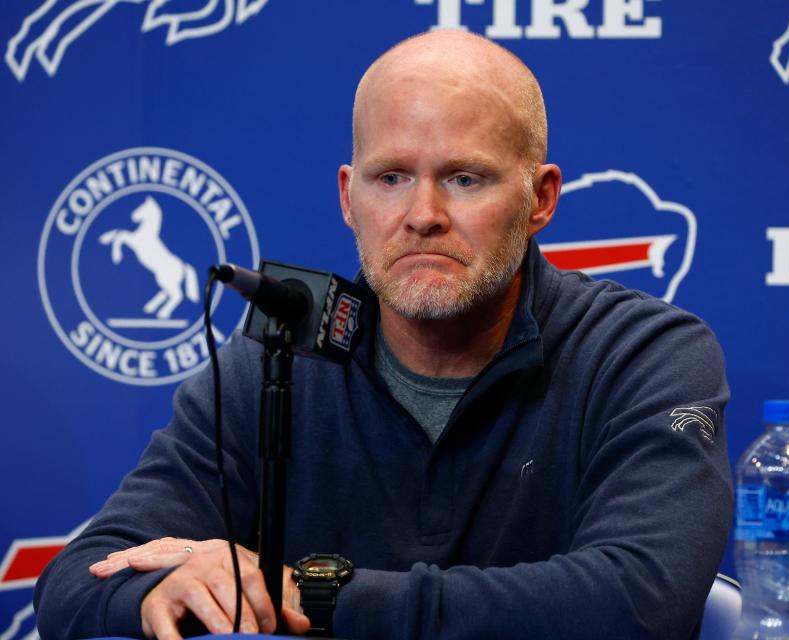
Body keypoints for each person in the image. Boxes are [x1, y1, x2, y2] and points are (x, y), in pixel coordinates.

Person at [34, 30, 733, 640]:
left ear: (540, 199)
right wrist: (161, 592)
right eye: (391, 177)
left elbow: (643, 605)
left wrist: (305, 593)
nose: (422, 214)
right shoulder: (275, 358)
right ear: (348, 197)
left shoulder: (644, 355)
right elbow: (78, 581)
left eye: (464, 178)